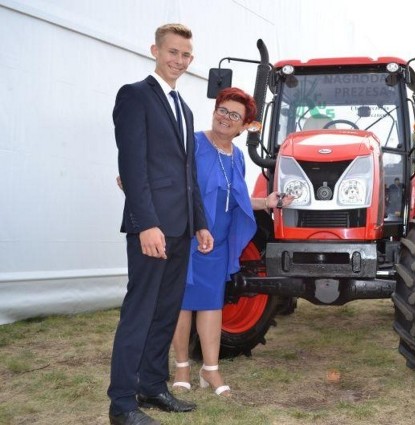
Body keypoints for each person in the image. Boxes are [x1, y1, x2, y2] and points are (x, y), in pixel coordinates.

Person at [108, 23, 213, 425]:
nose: (180, 61)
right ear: (155, 50)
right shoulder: (135, 96)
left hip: (182, 229)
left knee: (166, 313)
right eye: (173, 52)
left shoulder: (184, 109)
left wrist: (200, 223)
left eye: (186, 55)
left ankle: (151, 386)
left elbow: (188, 175)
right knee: (139, 312)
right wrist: (146, 224)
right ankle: (121, 404)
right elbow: (131, 166)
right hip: (151, 227)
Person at [170, 87, 293, 397]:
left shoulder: (237, 157)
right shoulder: (193, 144)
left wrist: (268, 201)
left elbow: (235, 200)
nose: (225, 118)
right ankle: (182, 365)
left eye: (234, 115)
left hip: (219, 244)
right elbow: (170, 180)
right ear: (214, 111)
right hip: (190, 239)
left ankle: (210, 370)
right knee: (183, 305)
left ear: (243, 126)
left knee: (212, 305)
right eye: (222, 110)